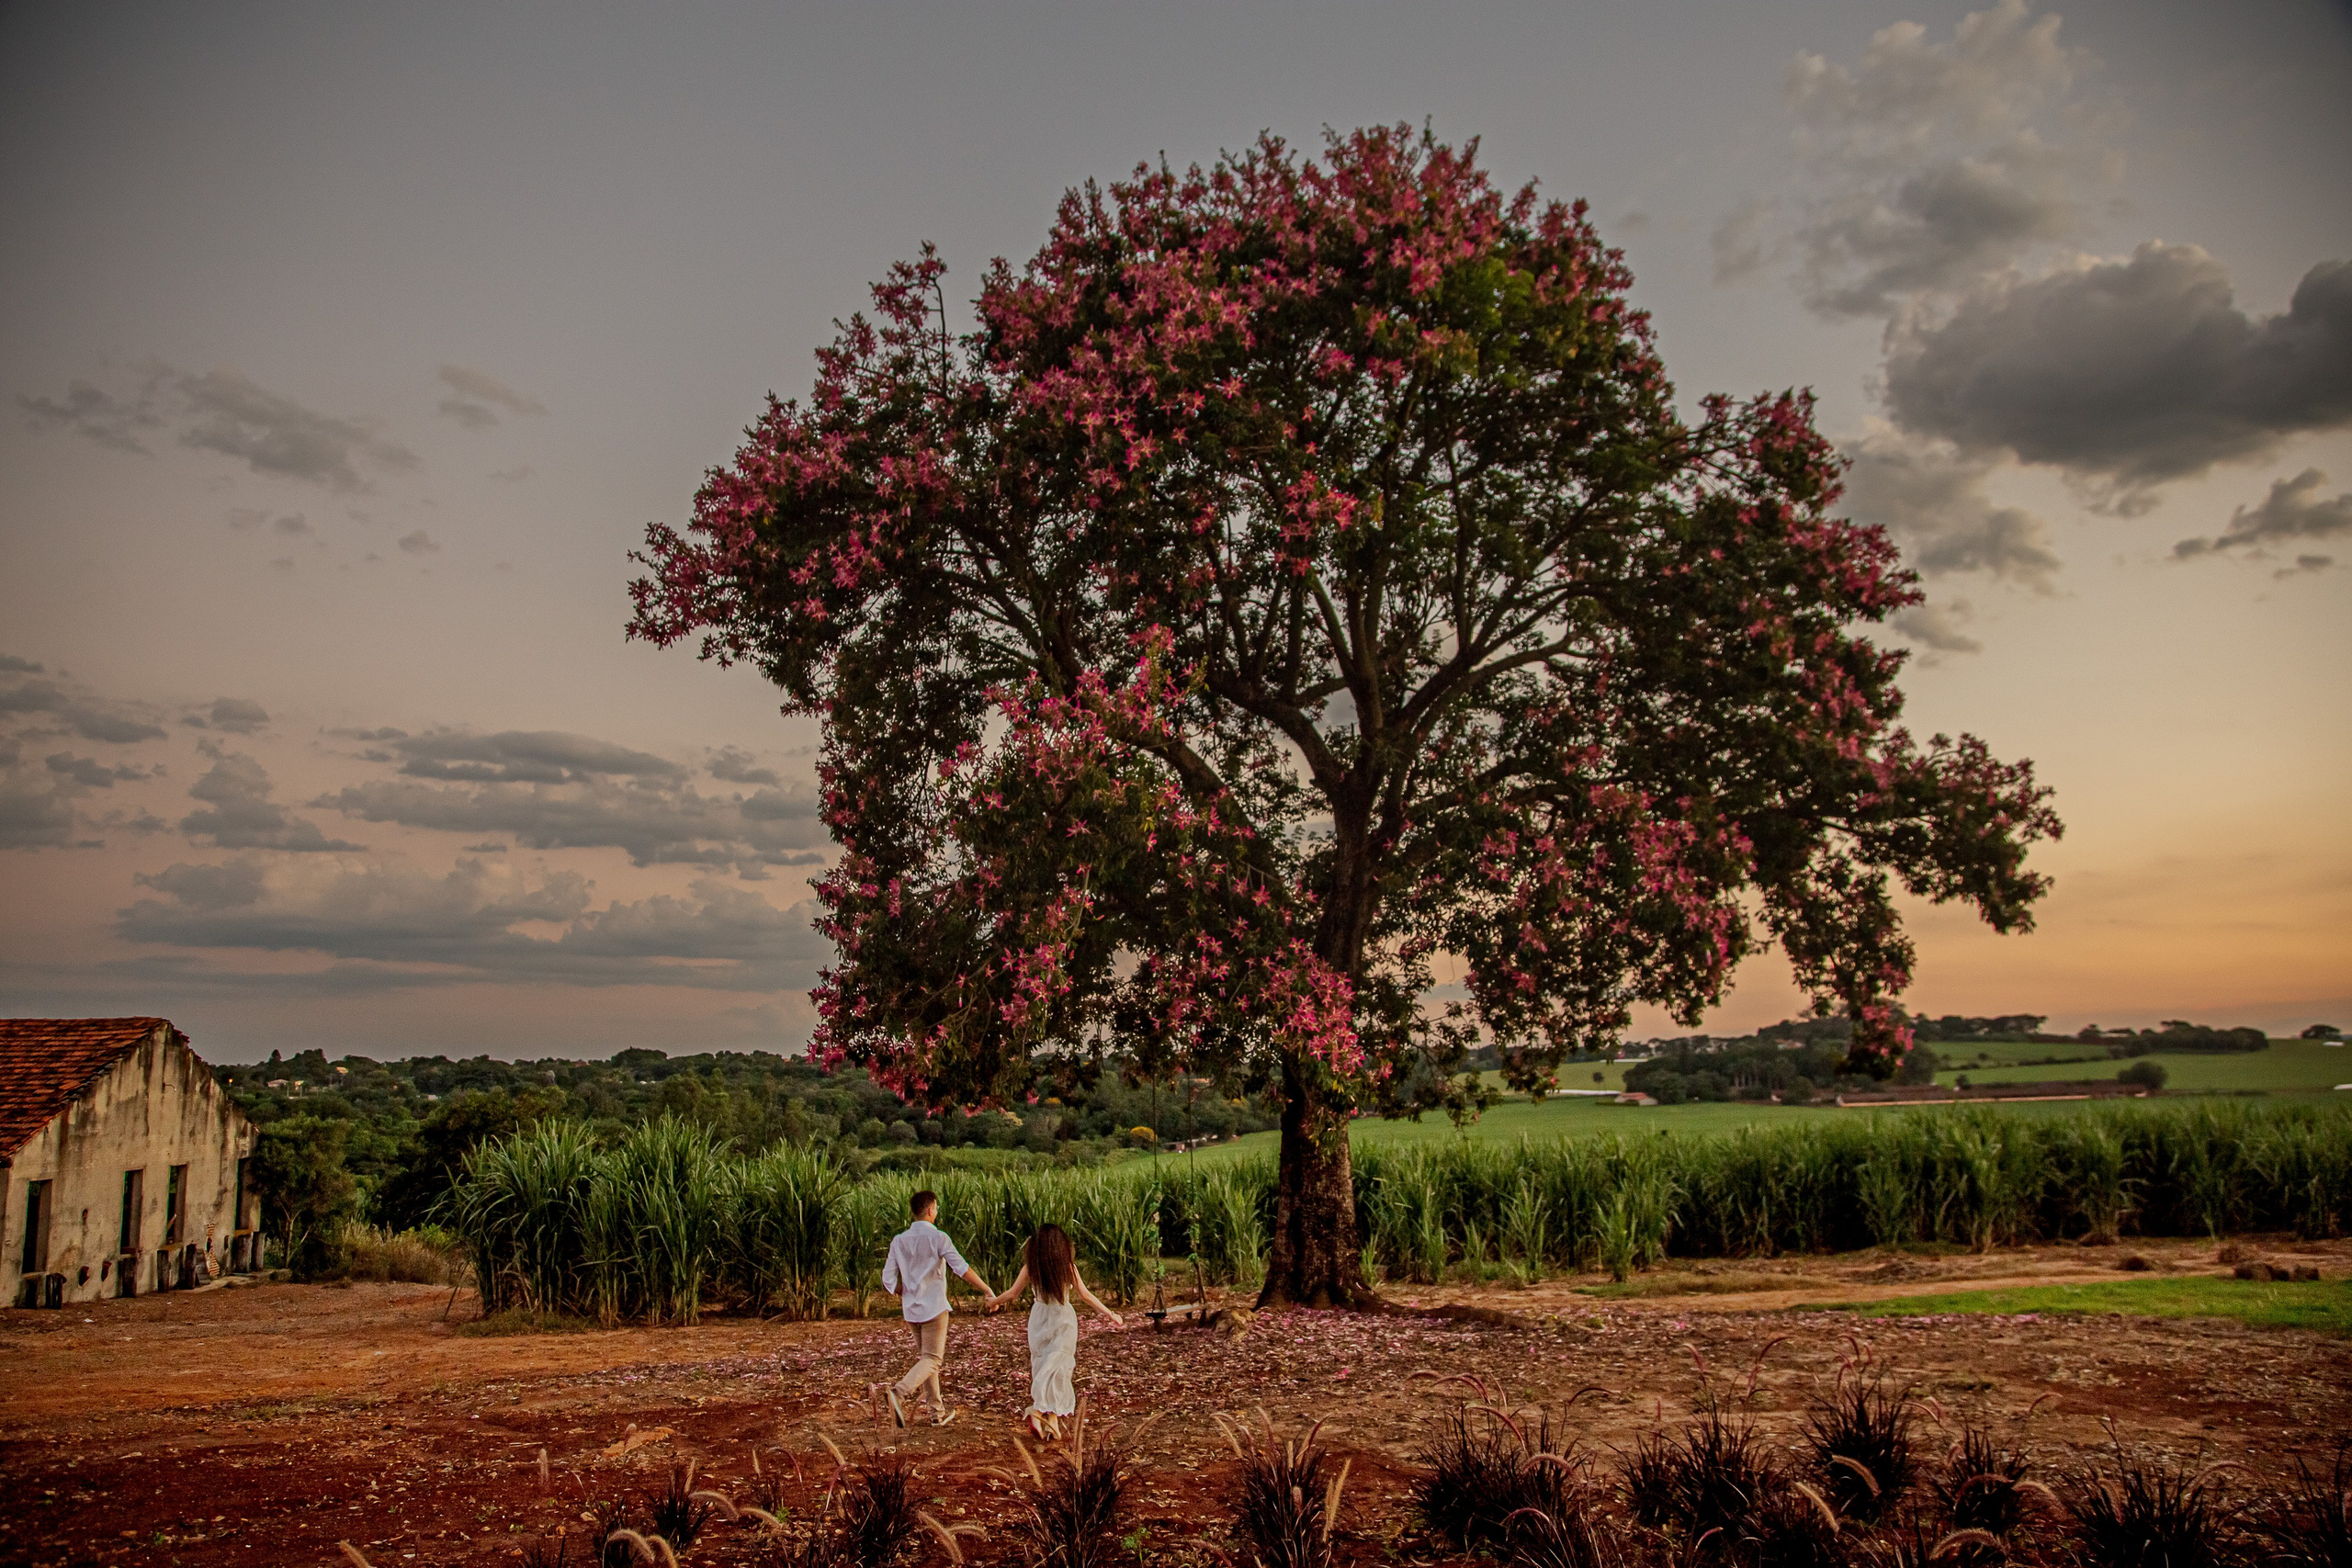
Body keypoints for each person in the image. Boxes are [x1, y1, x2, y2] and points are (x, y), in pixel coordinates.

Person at [986, 1223, 1122, 1440]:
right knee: (1058, 1369)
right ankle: (1038, 1411)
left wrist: (994, 1301)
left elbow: (1012, 1293)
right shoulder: (1067, 1267)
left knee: (1043, 1366)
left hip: (1039, 1320)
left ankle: (1052, 1421)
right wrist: (1110, 1314)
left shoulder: (1031, 1268)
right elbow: (1086, 1295)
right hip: (1063, 1320)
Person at [876, 1190, 994, 1427]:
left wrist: (904, 1291)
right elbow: (961, 1268)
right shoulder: (939, 1238)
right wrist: (987, 1290)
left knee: (926, 1359)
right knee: (932, 1359)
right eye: (936, 1208)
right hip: (934, 1307)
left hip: (911, 1309)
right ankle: (898, 1393)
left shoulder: (899, 1240)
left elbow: (887, 1279)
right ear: (931, 1210)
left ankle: (936, 1413)